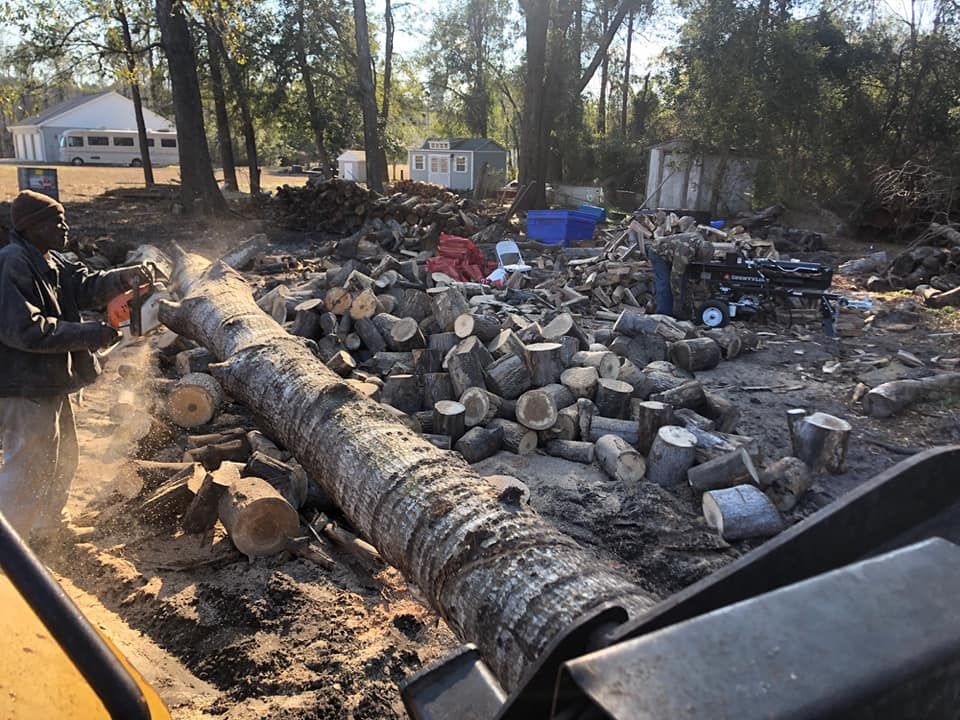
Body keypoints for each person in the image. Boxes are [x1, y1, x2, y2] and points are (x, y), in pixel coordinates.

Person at [0, 190, 146, 542]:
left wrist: (122, 278)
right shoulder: (13, 262)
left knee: (64, 457)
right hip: (23, 386)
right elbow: (24, 330)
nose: (65, 227)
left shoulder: (52, 259)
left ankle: (46, 529)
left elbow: (83, 286)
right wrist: (89, 335)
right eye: (57, 221)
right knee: (28, 467)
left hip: (51, 382)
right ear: (33, 227)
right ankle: (11, 557)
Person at [646, 232, 713, 319]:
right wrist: (677, 300)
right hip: (658, 252)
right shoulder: (685, 252)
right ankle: (664, 315)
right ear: (698, 251)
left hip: (672, 254)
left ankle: (684, 312)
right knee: (665, 283)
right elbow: (675, 277)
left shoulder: (700, 242)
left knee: (683, 282)